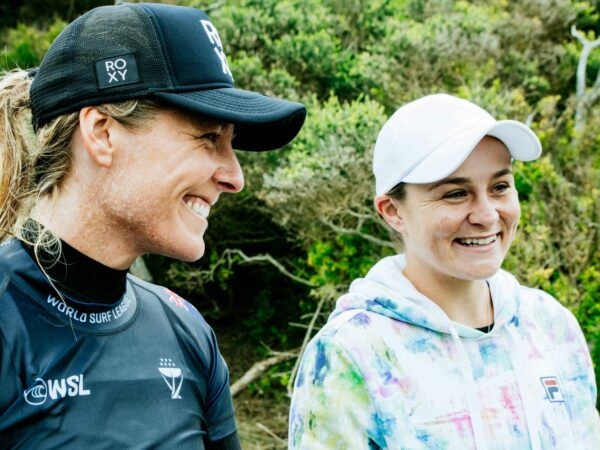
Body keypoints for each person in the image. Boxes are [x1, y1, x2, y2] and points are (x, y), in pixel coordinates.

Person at [0, 3, 306, 449]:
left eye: (232, 144)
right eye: (208, 137)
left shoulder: (187, 332)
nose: (235, 177)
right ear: (103, 133)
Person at [288, 93, 600, 449]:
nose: (486, 215)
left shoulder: (550, 325)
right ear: (393, 211)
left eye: (500, 187)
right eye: (455, 194)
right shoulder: (351, 352)